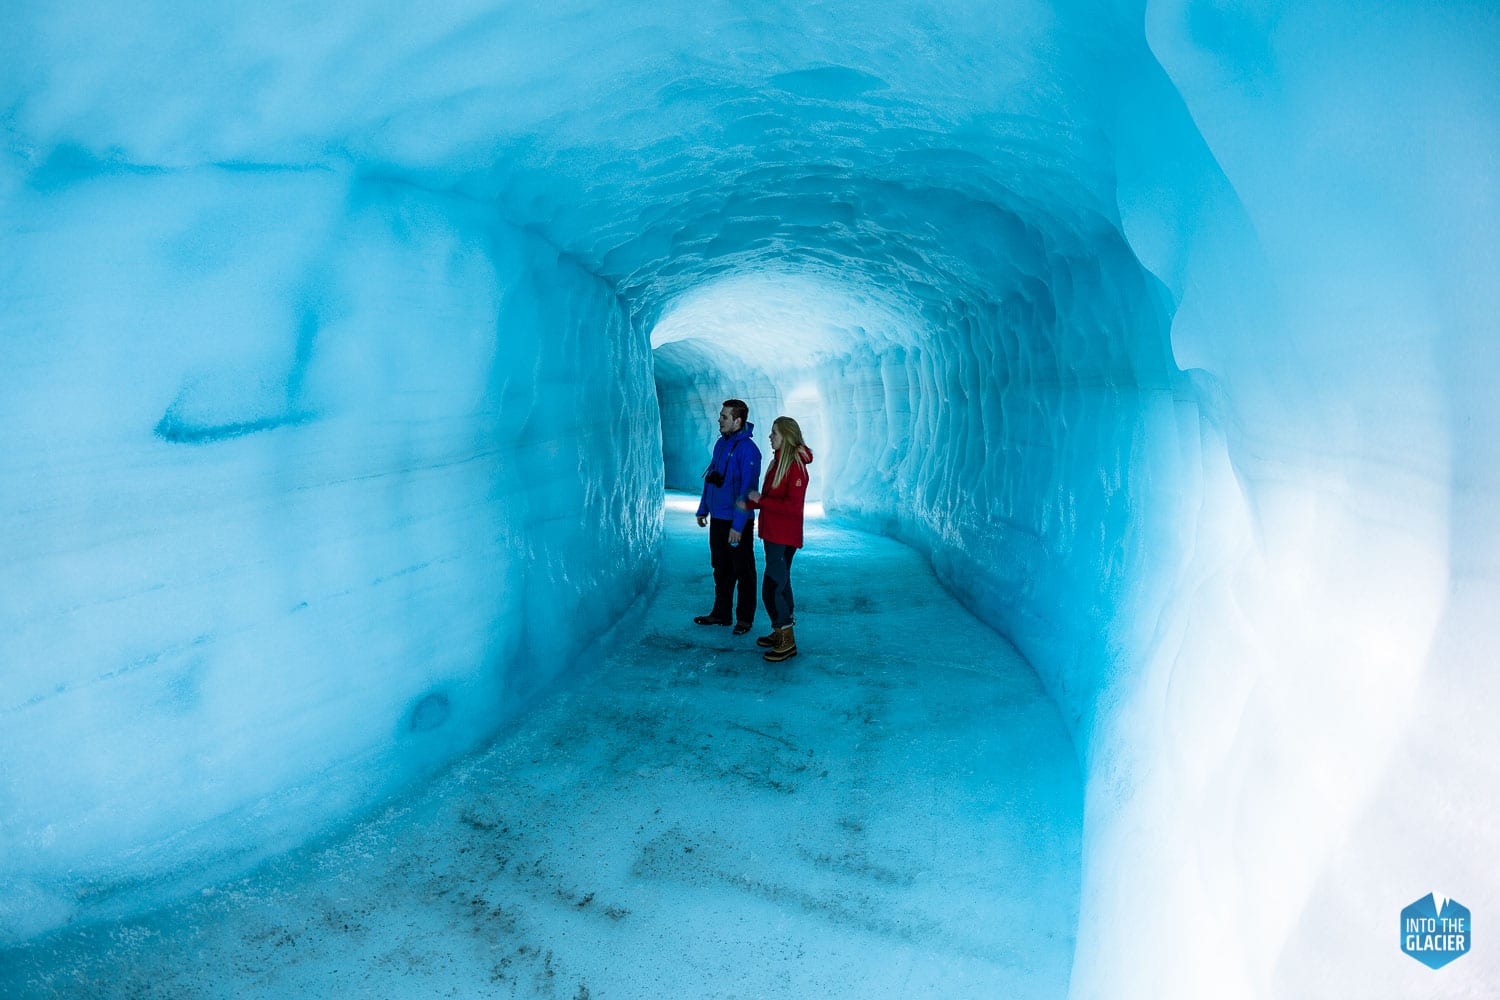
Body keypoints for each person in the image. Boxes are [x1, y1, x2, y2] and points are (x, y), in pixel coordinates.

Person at [740, 416, 812, 662]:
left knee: (773, 587)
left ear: (787, 436)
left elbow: (792, 507)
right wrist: (749, 502)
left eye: (775, 433)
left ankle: (787, 639)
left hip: (784, 536)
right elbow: (771, 500)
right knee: (779, 583)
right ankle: (779, 630)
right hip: (773, 534)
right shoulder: (778, 462)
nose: (770, 437)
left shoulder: (795, 467)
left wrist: (760, 500)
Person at [694, 399, 762, 635]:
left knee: (743, 570)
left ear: (737, 421)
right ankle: (721, 613)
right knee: (720, 567)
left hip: (737, 523)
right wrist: (703, 507)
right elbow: (711, 477)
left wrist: (739, 524)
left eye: (724, 417)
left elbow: (748, 490)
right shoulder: (720, 445)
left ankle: (744, 619)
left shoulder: (749, 451)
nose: (719, 420)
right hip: (719, 519)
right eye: (720, 415)